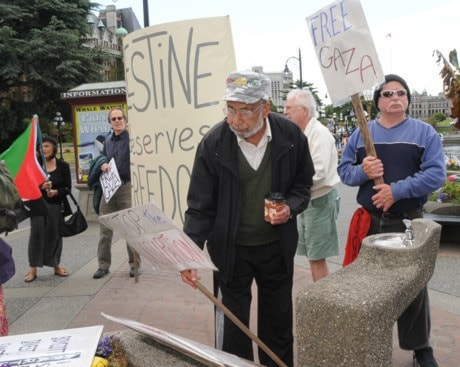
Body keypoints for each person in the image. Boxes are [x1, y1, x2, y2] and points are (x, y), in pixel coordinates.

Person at [181, 70, 314, 367]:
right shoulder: (214, 143)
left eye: (244, 110)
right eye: (230, 108)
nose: (235, 118)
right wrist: (188, 255)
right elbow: (200, 206)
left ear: (265, 108)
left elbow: (303, 185)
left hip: (275, 246)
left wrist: (290, 207)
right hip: (230, 250)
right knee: (232, 324)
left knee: (278, 322)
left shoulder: (290, 136)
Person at [337, 74, 445, 367]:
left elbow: (435, 174)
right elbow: (345, 172)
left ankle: (420, 347)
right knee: (366, 285)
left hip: (408, 221)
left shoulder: (425, 133)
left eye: (401, 92)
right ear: (377, 102)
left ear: (408, 99)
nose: (395, 97)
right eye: (387, 93)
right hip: (369, 221)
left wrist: (396, 191)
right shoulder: (361, 134)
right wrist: (363, 169)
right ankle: (369, 342)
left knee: (413, 286)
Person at [284, 89, 340, 282]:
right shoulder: (303, 133)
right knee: (312, 255)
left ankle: (324, 304)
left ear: (304, 111)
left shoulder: (319, 134)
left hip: (319, 201)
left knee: (316, 257)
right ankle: (322, 301)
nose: (285, 112)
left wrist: (290, 185)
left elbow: (318, 171)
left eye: (289, 107)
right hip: (308, 201)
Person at [93, 107, 140, 279]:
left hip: (126, 187)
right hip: (109, 189)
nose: (118, 121)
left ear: (125, 120)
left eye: (120, 118)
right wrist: (102, 164)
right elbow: (103, 158)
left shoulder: (133, 138)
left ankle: (134, 264)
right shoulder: (108, 141)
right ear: (110, 123)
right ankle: (103, 266)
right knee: (105, 228)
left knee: (130, 228)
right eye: (114, 119)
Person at [25, 137, 71, 282]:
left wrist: (56, 192)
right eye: (41, 147)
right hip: (38, 205)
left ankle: (55, 264)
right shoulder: (35, 166)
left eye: (46, 146)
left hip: (56, 205)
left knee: (54, 234)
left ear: (54, 148)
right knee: (36, 234)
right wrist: (41, 187)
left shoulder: (63, 165)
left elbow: (67, 188)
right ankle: (33, 268)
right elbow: (28, 186)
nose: (43, 149)